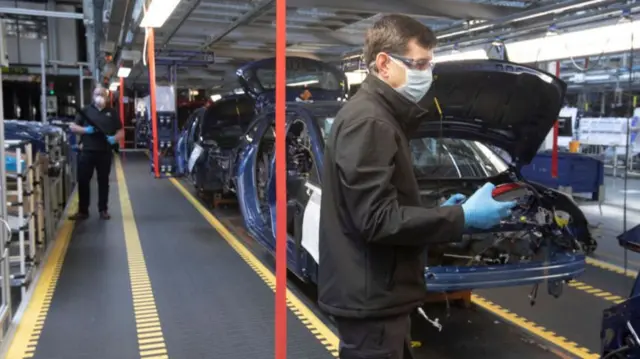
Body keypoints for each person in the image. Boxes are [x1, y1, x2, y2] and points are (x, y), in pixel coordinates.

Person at [318, 14, 517, 359]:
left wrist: (436, 210)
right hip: (372, 296)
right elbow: (376, 220)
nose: (427, 74)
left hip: (377, 292)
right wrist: (462, 218)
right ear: (384, 64)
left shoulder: (378, 115)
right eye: (420, 64)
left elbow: (380, 201)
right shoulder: (369, 121)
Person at [68, 86, 124, 220]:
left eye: (102, 94)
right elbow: (73, 127)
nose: (99, 96)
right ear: (93, 96)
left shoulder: (112, 112)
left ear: (106, 96)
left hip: (105, 152)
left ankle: (103, 210)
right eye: (97, 94)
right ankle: (83, 211)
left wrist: (114, 139)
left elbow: (121, 131)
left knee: (104, 182)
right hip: (87, 152)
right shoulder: (86, 111)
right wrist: (85, 130)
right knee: (83, 181)